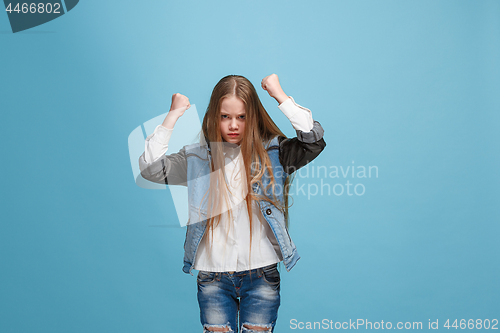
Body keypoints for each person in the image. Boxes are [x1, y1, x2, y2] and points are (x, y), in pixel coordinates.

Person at [139, 74, 326, 333]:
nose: (233, 125)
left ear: (254, 117)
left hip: (261, 274)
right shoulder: (195, 159)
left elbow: (313, 140)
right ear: (213, 116)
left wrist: (280, 96)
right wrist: (172, 116)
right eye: (225, 116)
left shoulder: (276, 153)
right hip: (213, 275)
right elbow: (150, 170)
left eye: (242, 117)